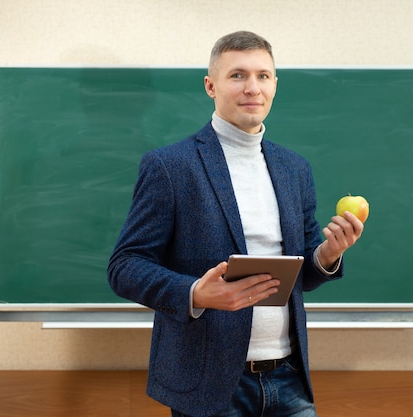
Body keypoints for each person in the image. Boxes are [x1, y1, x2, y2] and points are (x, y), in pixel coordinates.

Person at [107, 30, 364, 417]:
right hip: (210, 384)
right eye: (237, 75)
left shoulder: (294, 169)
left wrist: (328, 254)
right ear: (211, 86)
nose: (252, 88)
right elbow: (124, 267)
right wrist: (195, 293)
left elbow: (301, 276)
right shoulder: (170, 166)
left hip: (289, 378)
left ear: (275, 84)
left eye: (263, 76)